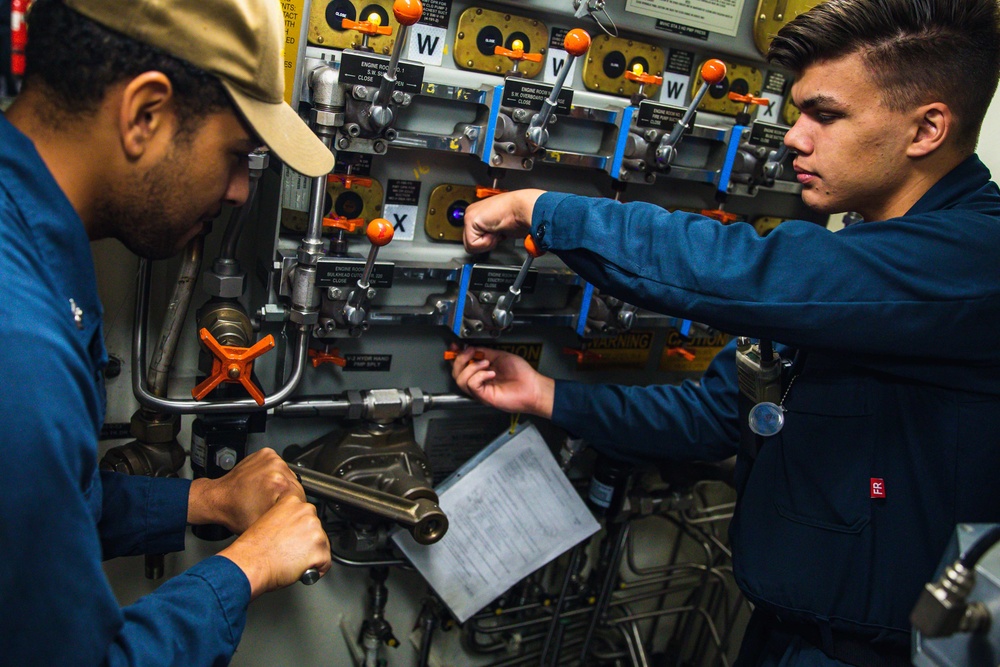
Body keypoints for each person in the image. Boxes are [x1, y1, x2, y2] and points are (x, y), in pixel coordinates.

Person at [451, 0, 1000, 665]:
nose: (795, 137)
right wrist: (549, 396)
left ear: (928, 128)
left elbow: (753, 272)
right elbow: (716, 415)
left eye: (825, 115)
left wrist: (542, 207)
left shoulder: (976, 257)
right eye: (798, 112)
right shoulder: (863, 259)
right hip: (783, 635)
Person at [0, 0, 336, 664]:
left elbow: (39, 519)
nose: (241, 189)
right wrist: (249, 566)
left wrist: (207, 497)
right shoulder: (22, 351)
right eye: (237, 152)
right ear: (145, 115)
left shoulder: (29, 245)